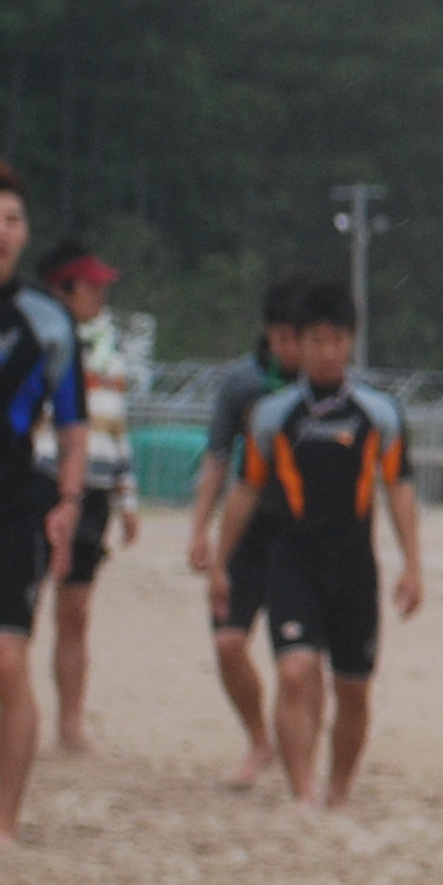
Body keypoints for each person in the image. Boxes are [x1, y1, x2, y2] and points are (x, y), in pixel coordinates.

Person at [216, 278, 423, 812]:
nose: (327, 352)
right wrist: (220, 563)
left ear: (350, 342)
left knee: (353, 689)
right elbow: (246, 489)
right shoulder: (272, 415)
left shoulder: (379, 413)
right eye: (316, 342)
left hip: (354, 566)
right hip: (294, 562)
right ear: (298, 344)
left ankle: (339, 789)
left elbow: (399, 489)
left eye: (337, 341)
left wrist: (413, 565)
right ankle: (303, 791)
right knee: (294, 672)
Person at [0, 160, 88, 847]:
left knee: (7, 660)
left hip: (11, 504)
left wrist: (68, 501)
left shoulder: (48, 320)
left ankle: (4, 821)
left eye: (11, 220)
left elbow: (72, 426)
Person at [183, 277, 302, 786]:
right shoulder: (241, 384)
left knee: (301, 660)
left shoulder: (326, 388)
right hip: (247, 533)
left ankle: (302, 757)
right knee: (229, 642)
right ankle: (259, 741)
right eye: (285, 337)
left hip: (302, 537)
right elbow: (216, 458)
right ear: (269, 333)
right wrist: (199, 530)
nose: (295, 349)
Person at [28, 240, 137, 761]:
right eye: (91, 286)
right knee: (16, 607)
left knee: (76, 611)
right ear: (61, 290)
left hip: (94, 490)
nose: (100, 295)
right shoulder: (34, 343)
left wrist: (127, 495)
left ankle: (69, 723)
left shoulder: (107, 349)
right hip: (40, 480)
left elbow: (116, 426)